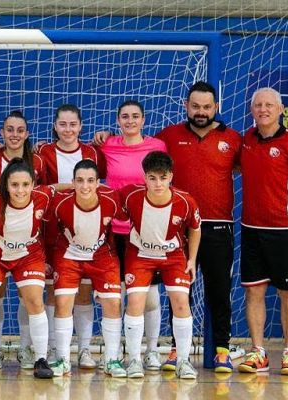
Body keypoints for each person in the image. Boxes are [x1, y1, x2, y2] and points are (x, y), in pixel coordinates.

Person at [155, 81, 242, 372]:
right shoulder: (168, 136)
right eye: (195, 106)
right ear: (186, 106)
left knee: (219, 293)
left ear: (215, 107)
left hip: (218, 228)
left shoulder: (233, 139)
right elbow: (138, 150)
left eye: (207, 107)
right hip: (179, 229)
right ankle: (177, 350)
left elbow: (247, 165)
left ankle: (221, 351)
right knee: (179, 293)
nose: (201, 112)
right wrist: (106, 140)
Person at [237, 88, 288, 376]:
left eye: (269, 105)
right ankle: (258, 353)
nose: (263, 109)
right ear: (251, 109)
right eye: (258, 105)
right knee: (254, 292)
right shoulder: (245, 139)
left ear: (281, 108)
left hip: (285, 230)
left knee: (287, 292)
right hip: (251, 230)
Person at [92, 100, 167, 371]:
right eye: (125, 116)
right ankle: (114, 352)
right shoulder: (107, 144)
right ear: (118, 120)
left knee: (149, 296)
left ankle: (151, 351)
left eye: (136, 116)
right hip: (116, 230)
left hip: (146, 230)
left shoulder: (158, 146)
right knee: (115, 294)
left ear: (144, 120)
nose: (130, 121)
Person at [0, 158, 55, 379]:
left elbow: (58, 187)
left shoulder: (43, 195)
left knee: (34, 300)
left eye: (26, 185)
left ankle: (40, 359)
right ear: (5, 185)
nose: (20, 190)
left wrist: (78, 184)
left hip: (28, 255)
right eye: (14, 185)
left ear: (33, 184)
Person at [119, 151, 201, 380]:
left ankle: (183, 362)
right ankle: (134, 359)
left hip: (173, 256)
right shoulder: (130, 196)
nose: (158, 183)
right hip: (139, 255)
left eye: (163, 178)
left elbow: (195, 228)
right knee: (135, 301)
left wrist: (192, 259)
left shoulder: (185, 201)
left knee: (181, 303)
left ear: (171, 177)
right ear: (144, 177)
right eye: (152, 178)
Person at [38, 104, 105, 369]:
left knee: (84, 292)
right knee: (57, 292)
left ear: (81, 126)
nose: (68, 129)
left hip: (87, 231)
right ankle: (56, 349)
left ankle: (85, 350)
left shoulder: (92, 153)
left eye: (73, 124)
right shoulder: (43, 152)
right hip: (53, 230)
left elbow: (100, 188)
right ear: (55, 126)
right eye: (63, 124)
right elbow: (39, 188)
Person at [46, 159, 126, 377]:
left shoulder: (112, 199)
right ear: (72, 182)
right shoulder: (60, 203)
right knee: (62, 302)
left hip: (103, 256)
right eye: (79, 181)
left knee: (113, 303)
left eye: (90, 180)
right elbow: (49, 227)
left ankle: (111, 360)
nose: (85, 186)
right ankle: (62, 359)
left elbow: (131, 218)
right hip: (69, 256)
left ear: (98, 182)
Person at [0, 110, 45, 368]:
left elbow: (44, 194)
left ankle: (27, 348)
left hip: (28, 243)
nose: (14, 135)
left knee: (28, 294)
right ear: (2, 133)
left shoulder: (38, 160)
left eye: (20, 130)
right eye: (9, 130)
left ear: (27, 134)